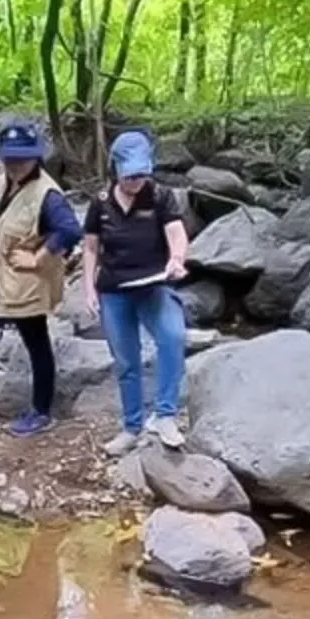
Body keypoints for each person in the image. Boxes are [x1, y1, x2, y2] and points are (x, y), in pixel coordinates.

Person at [0, 121, 82, 437]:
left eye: (22, 159)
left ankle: (41, 410)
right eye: (9, 159)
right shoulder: (1, 183)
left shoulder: (48, 195)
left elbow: (70, 231)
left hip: (27, 279)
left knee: (35, 340)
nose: (15, 165)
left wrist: (39, 258)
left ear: (36, 157)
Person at [81, 130, 189, 457]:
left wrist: (176, 259)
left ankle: (166, 415)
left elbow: (177, 234)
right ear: (116, 169)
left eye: (142, 173)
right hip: (114, 289)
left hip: (154, 285)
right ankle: (131, 426)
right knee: (127, 360)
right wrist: (88, 289)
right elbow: (90, 248)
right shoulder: (99, 204)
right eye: (130, 175)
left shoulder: (160, 197)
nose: (136, 181)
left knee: (173, 336)